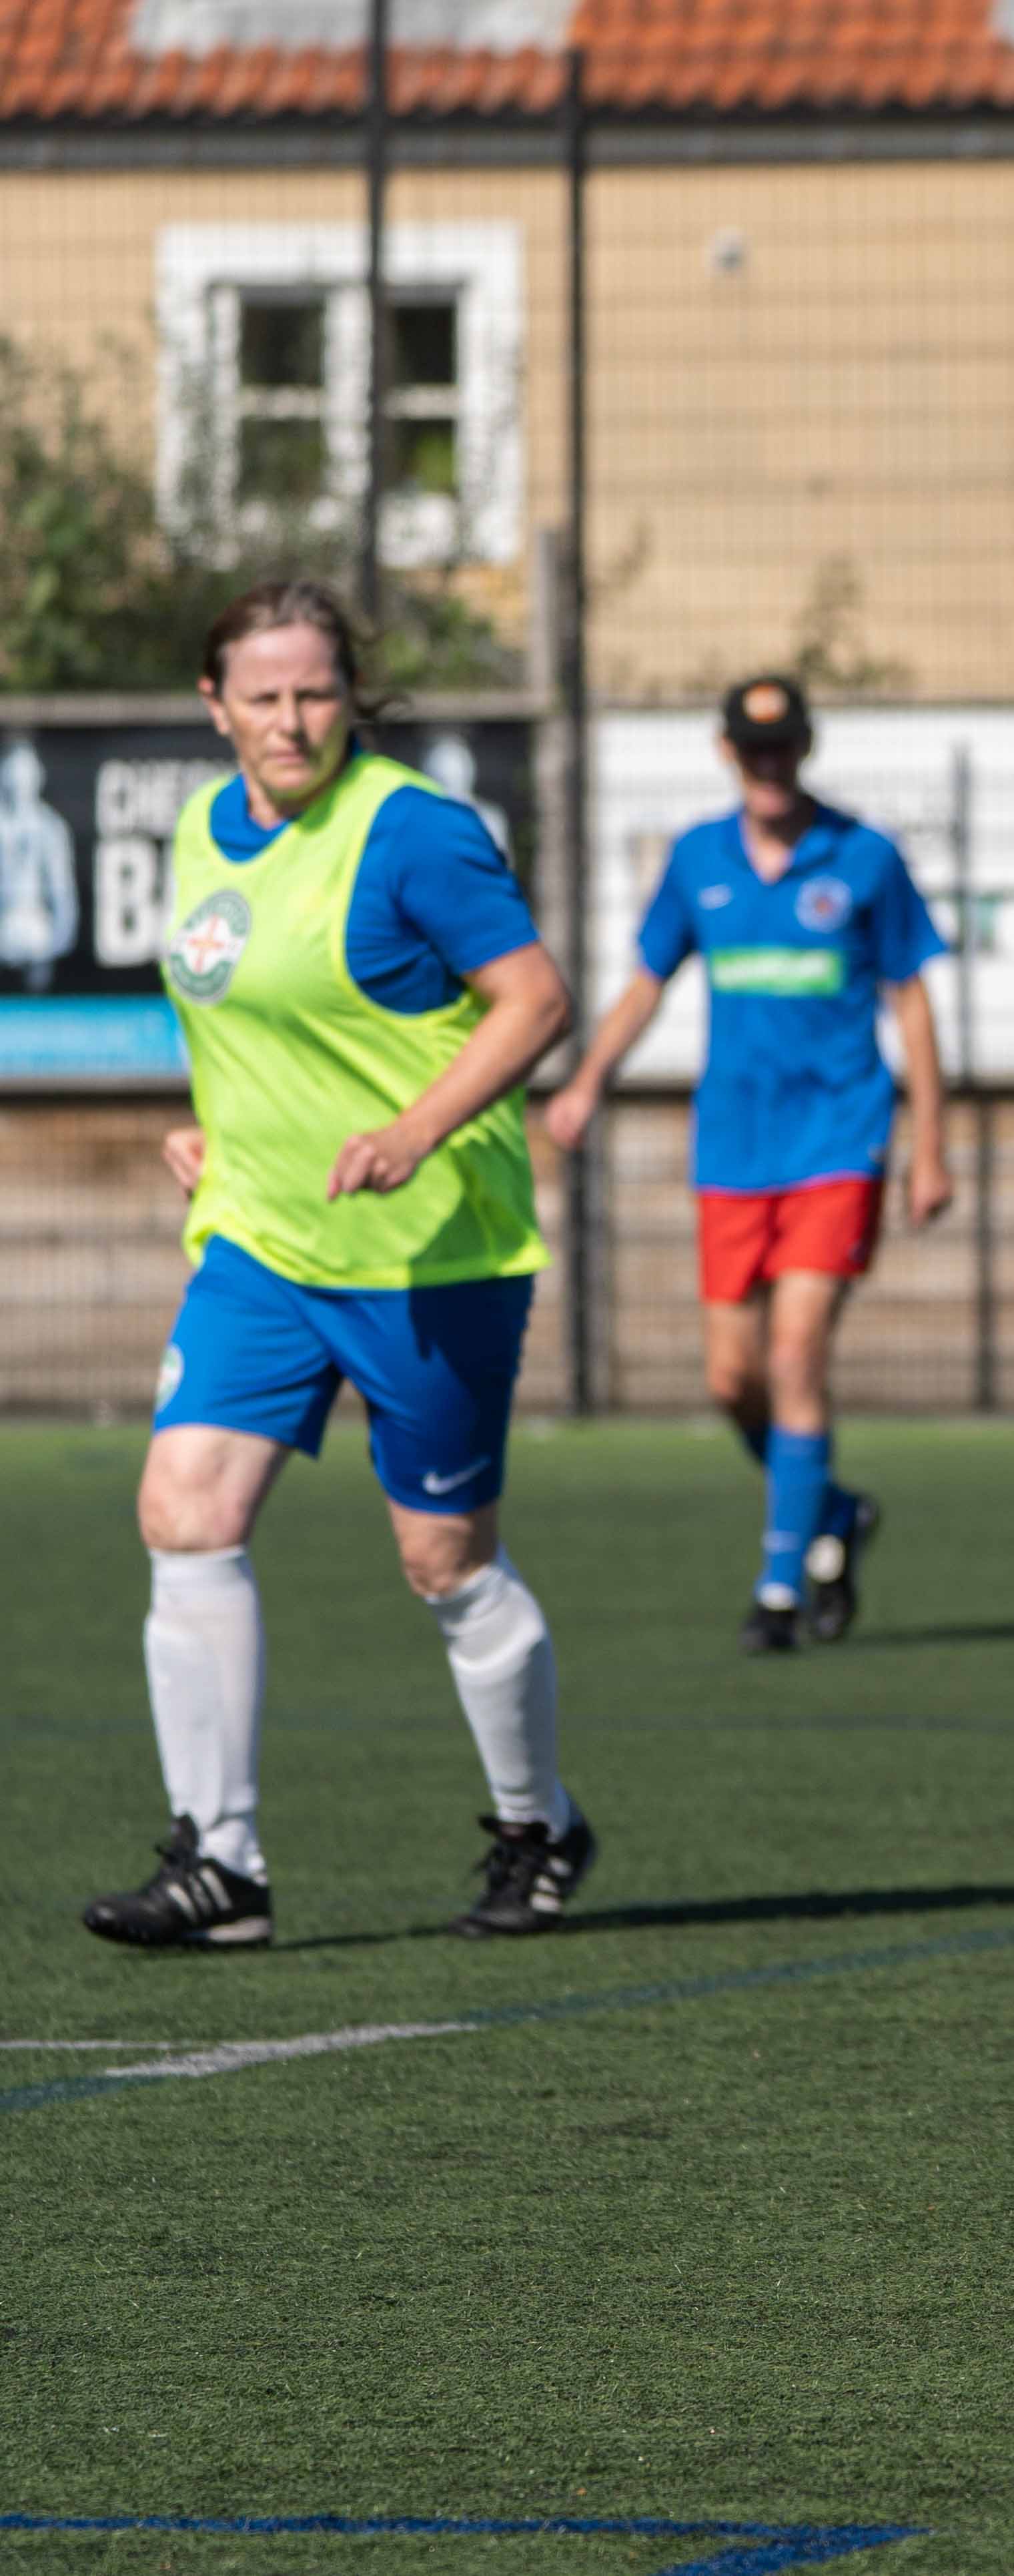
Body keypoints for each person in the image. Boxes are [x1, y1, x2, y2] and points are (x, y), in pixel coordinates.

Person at [83, 581, 588, 1949]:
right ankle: (221, 1865)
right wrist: (214, 1127)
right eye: (263, 696)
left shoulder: (410, 830)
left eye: (316, 692)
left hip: (429, 1255)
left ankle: (536, 1826)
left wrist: (418, 1130)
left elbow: (535, 999)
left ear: (351, 696)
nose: (292, 720)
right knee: (184, 1509)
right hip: (261, 1241)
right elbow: (240, 1019)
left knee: (444, 1561)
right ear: (215, 706)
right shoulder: (203, 827)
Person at [542, 677, 953, 1653]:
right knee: (733, 1378)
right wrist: (587, 1080)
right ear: (727, 752)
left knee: (795, 1353)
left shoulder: (864, 855)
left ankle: (777, 1590)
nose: (770, 765)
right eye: (753, 748)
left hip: (838, 1140)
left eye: (784, 747)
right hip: (733, 1149)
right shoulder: (698, 858)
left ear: (806, 749)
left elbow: (911, 1002)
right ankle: (832, 1511)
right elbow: (646, 982)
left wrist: (930, 1146)